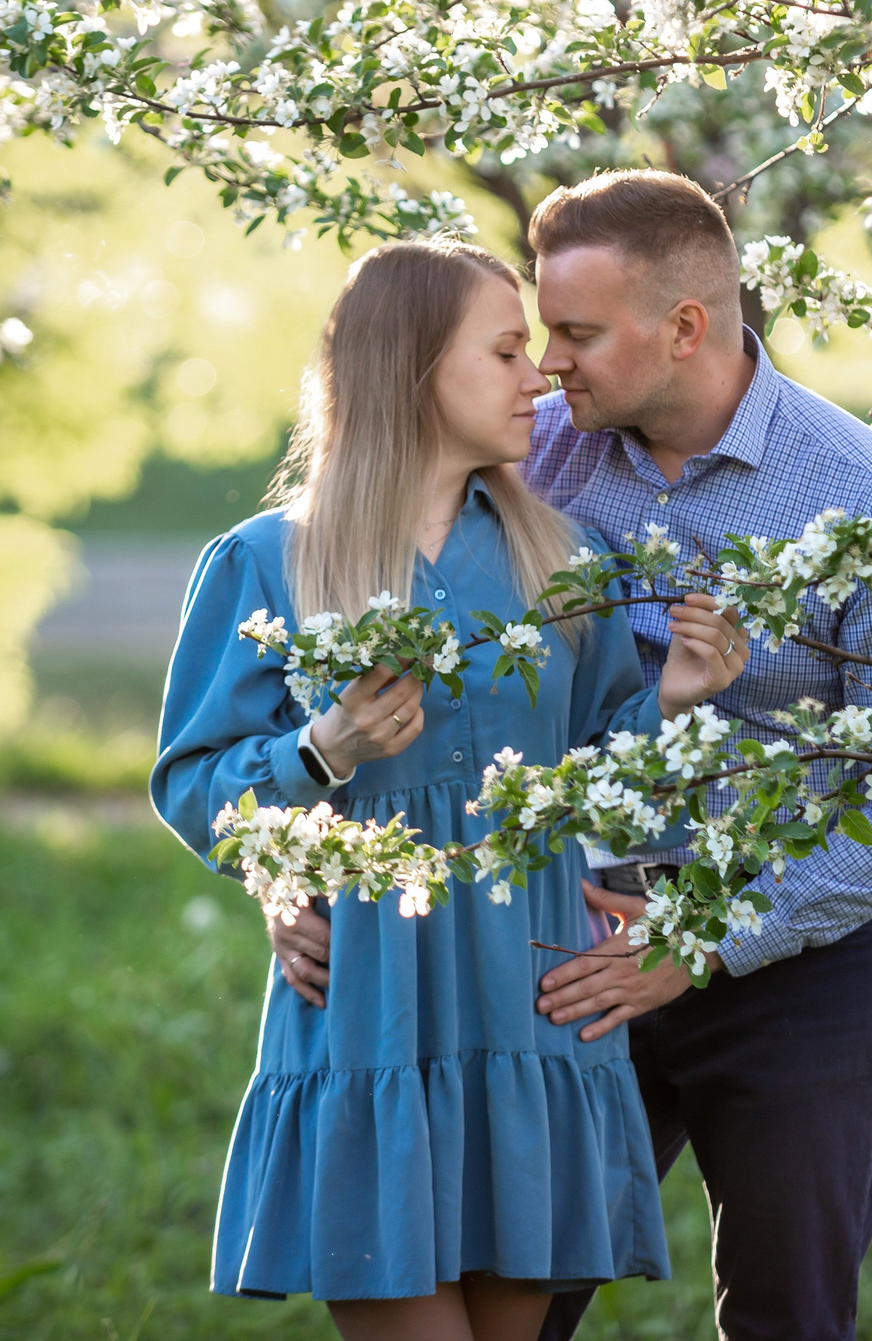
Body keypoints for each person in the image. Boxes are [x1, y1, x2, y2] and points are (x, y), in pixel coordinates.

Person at [271, 172, 872, 1341]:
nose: (548, 363)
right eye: (538, 332)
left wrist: (701, 939)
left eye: (577, 332)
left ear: (684, 326)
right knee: (515, 1300)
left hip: (790, 959)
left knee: (789, 1316)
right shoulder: (523, 452)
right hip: (556, 943)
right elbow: (351, 648)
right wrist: (296, 869)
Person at [151, 237, 751, 1341]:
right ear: (415, 367)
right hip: (372, 1009)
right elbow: (195, 785)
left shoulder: (562, 557)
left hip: (533, 1007)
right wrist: (319, 751)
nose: (539, 377)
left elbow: (603, 779)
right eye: (506, 350)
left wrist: (671, 698)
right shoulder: (269, 560)